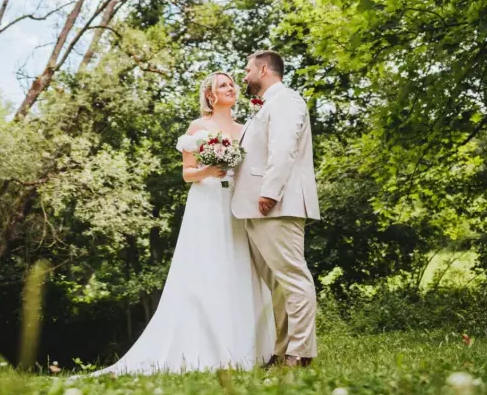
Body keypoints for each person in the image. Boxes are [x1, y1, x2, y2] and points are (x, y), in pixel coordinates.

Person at [94, 72, 274, 374]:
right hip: (206, 203)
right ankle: (203, 347)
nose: (230, 87)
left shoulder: (245, 129)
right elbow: (188, 173)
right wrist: (211, 170)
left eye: (232, 83)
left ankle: (246, 346)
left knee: (240, 265)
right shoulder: (198, 127)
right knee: (207, 267)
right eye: (222, 85)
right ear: (210, 94)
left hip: (237, 204)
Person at [233, 50, 320, 368]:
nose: (244, 76)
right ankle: (283, 350)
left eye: (247, 70)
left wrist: (269, 193)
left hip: (276, 205)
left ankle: (300, 353)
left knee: (293, 278)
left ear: (264, 69)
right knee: (277, 284)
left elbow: (283, 149)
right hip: (257, 207)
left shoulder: (286, 100)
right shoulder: (266, 106)